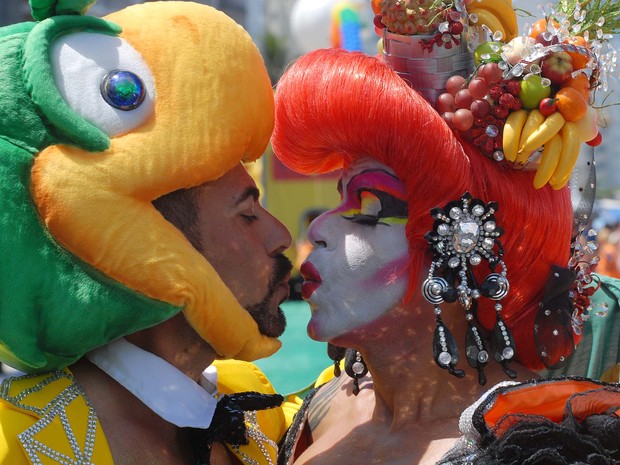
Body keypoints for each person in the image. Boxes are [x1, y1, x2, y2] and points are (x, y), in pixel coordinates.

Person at [270, 3, 620, 463]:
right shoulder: (312, 409)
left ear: (464, 244)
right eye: (339, 199)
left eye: (370, 209)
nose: (319, 226)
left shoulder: (536, 449)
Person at [0, 1, 294, 464]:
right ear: (160, 244)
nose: (282, 236)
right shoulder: (16, 438)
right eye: (248, 213)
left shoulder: (259, 405)